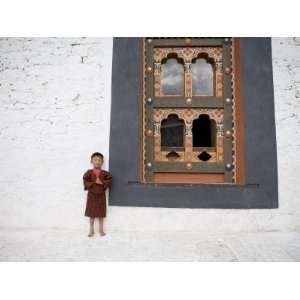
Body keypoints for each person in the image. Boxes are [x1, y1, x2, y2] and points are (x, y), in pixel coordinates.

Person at [83, 152, 113, 237]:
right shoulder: (89, 172)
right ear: (91, 161)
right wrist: (93, 183)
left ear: (102, 162)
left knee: (101, 213)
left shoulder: (105, 173)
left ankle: (101, 229)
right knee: (91, 213)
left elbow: (110, 180)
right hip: (92, 194)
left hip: (101, 195)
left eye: (99, 160)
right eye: (95, 160)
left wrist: (102, 182)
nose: (97, 162)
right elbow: (85, 180)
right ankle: (91, 229)